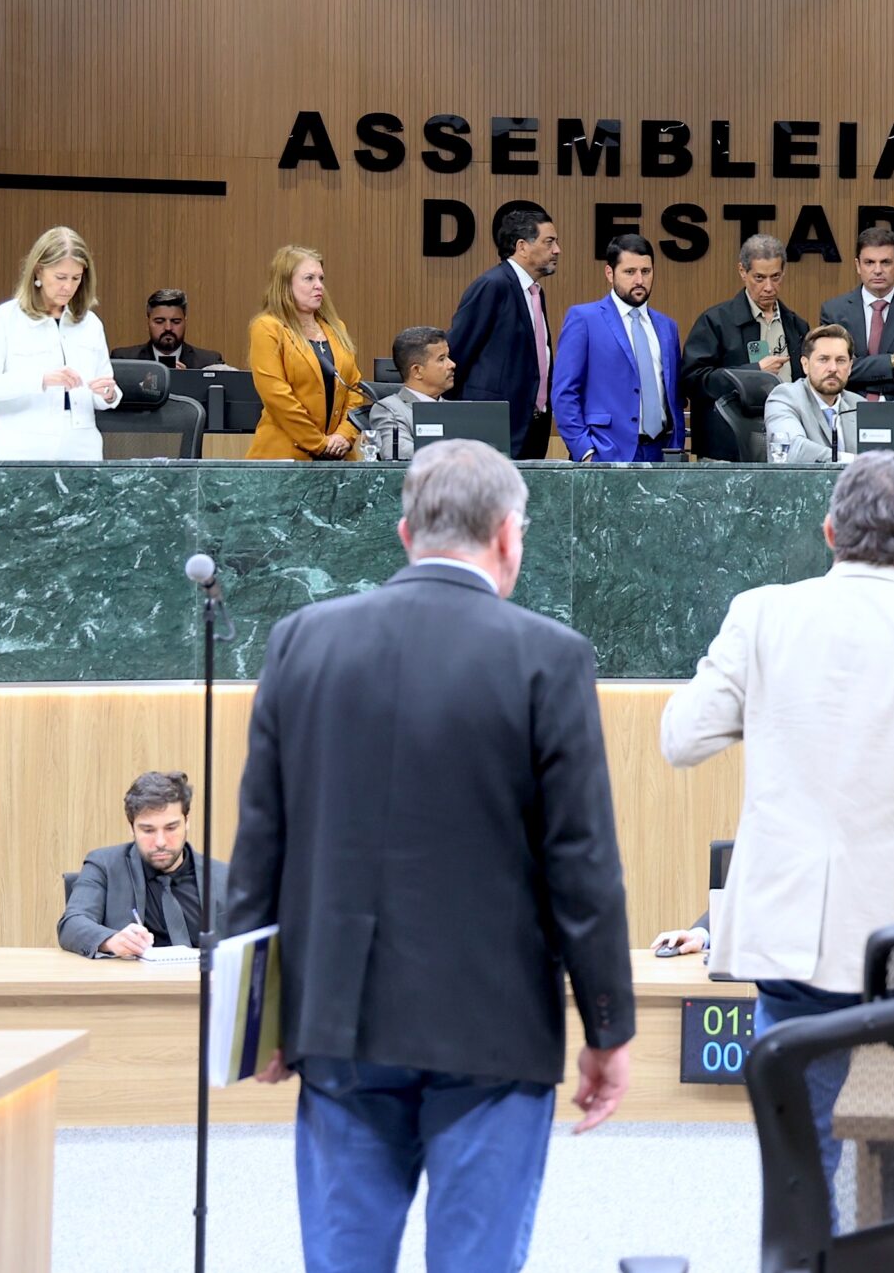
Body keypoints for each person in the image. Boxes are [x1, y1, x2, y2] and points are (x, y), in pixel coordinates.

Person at [227, 441, 635, 1270]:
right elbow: (582, 864)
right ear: (509, 534)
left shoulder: (302, 640)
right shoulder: (550, 657)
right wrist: (607, 1027)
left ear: (407, 533)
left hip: (339, 1022)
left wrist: (252, 1016)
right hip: (494, 1032)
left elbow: (261, 838)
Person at [661, 450, 894, 1185]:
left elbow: (682, 738)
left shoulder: (761, 615)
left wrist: (764, 703)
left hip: (791, 945)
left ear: (830, 531)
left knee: (799, 1172)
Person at [0, 225, 122, 462]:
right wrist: (40, 379)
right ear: (38, 271)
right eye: (60, 277)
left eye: (76, 278)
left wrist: (108, 394)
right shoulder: (6, 317)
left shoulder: (90, 323)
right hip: (21, 445)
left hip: (82, 446)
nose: (68, 287)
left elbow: (102, 389)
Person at [57, 770, 225, 959]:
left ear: (187, 822)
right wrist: (111, 940)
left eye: (171, 828)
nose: (160, 842)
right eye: (148, 830)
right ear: (132, 828)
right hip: (132, 977)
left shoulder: (225, 877)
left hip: (202, 977)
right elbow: (72, 924)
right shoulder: (104, 866)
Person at [553, 234, 684, 464]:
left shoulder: (667, 327)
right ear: (609, 273)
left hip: (662, 454)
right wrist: (585, 451)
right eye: (629, 272)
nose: (639, 280)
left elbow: (674, 395)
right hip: (605, 452)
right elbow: (564, 393)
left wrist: (677, 446)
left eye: (646, 271)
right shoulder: (584, 319)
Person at [445, 205, 561, 460]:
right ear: (522, 247)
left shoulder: (535, 292)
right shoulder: (492, 285)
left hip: (532, 425)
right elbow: (457, 352)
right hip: (493, 428)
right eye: (549, 241)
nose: (557, 250)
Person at [246, 243, 366, 461]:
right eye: (309, 278)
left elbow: (354, 388)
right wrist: (320, 443)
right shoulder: (267, 328)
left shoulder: (336, 328)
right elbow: (277, 397)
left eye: (321, 278)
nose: (319, 286)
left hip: (339, 457)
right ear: (285, 284)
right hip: (284, 458)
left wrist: (344, 435)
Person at [680, 234, 809, 435]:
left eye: (775, 277)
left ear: (783, 272)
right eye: (759, 278)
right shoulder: (715, 321)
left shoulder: (797, 326)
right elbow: (692, 381)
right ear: (742, 271)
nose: (768, 287)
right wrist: (754, 372)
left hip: (785, 437)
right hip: (729, 442)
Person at [818, 225, 894, 401]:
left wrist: (858, 371)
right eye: (869, 262)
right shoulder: (833, 311)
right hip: (850, 408)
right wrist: (892, 360)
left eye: (885, 262)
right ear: (858, 265)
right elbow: (833, 370)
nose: (877, 270)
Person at [762, 324, 867, 464]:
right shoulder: (785, 397)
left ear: (850, 367)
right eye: (823, 359)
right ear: (805, 365)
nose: (833, 368)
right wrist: (855, 460)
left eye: (841, 360)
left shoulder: (859, 405)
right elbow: (792, 450)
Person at [362, 326, 455, 463]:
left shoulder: (458, 410)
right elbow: (398, 451)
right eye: (441, 359)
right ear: (417, 371)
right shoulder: (389, 410)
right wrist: (459, 456)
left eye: (448, 357)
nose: (452, 364)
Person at [109, 288, 224, 371]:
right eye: (159, 321)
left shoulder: (209, 363)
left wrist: (189, 381)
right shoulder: (124, 361)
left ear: (185, 322)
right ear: (148, 322)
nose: (168, 328)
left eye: (176, 321)